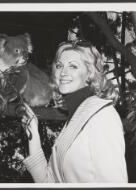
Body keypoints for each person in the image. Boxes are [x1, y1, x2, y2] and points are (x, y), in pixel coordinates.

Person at [21, 40, 128, 183]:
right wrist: (33, 135)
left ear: (89, 73)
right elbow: (49, 183)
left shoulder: (102, 115)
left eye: (73, 66)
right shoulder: (74, 120)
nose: (63, 72)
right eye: (59, 66)